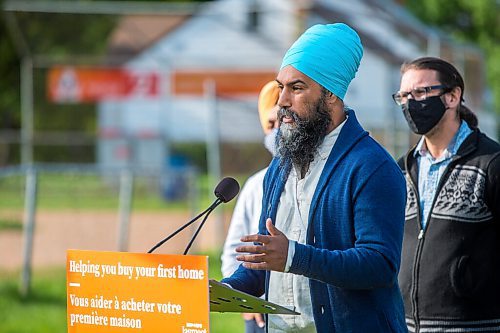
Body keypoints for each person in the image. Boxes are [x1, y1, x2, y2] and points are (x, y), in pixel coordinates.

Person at [221, 23, 408, 333]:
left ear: (330, 93)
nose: (281, 101)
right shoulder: (280, 167)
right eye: (280, 86)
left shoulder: (372, 166)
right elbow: (265, 263)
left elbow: (379, 265)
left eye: (296, 88)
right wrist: (226, 288)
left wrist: (295, 256)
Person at [393, 57, 500, 333]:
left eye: (420, 92)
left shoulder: (490, 163)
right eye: (404, 95)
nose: (410, 103)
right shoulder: (402, 169)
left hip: (474, 326)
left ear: (452, 97)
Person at [221, 80, 280, 333]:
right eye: (270, 124)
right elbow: (234, 252)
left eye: (283, 119)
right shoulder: (255, 185)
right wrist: (245, 300)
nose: (277, 128)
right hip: (258, 316)